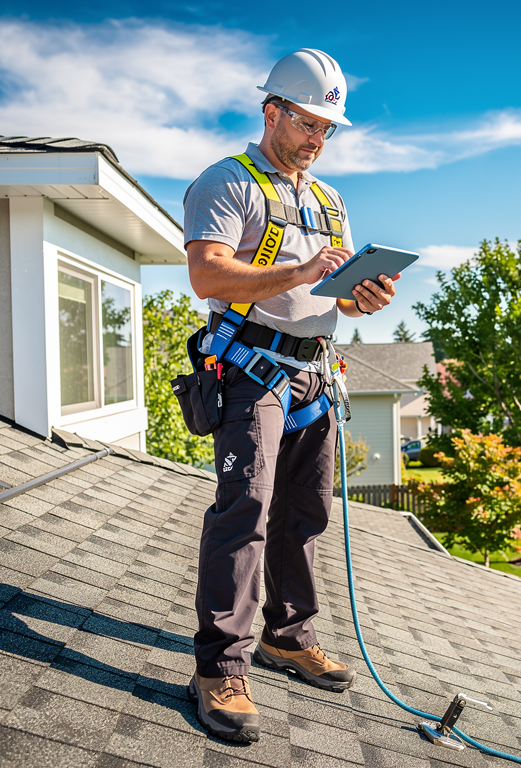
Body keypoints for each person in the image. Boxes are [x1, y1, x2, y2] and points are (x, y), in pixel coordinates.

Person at [182, 49, 396, 743]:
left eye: (327, 128)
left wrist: (364, 298)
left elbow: (338, 297)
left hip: (315, 373)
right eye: (307, 123)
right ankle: (220, 668)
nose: (317, 139)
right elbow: (209, 276)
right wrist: (296, 271)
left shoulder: (330, 201)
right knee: (244, 510)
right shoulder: (227, 182)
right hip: (252, 370)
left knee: (305, 513)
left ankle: (288, 635)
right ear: (271, 111)